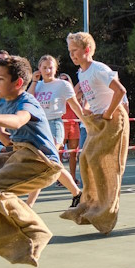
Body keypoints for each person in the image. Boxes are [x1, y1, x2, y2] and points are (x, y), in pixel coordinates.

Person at [0, 55, 64, 266]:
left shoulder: (27, 101)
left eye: (0, 79)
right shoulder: (0, 100)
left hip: (41, 161)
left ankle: (37, 231)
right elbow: (4, 134)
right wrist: (0, 133)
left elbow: (18, 120)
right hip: (18, 153)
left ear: (17, 83)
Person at [61, 32, 129, 235]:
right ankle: (89, 203)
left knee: (97, 158)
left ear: (87, 50)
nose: (72, 55)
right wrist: (88, 108)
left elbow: (120, 91)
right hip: (98, 119)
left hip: (113, 118)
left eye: (75, 51)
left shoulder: (99, 69)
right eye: (70, 51)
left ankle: (106, 210)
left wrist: (108, 113)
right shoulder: (81, 74)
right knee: (85, 158)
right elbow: (91, 94)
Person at [26, 55, 81, 206]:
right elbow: (28, 101)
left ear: (56, 69)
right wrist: (34, 81)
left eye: (50, 67)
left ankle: (29, 204)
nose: (48, 70)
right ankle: (77, 194)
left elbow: (75, 105)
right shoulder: (37, 85)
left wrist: (86, 121)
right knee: (51, 164)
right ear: (39, 69)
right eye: (44, 67)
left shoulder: (62, 85)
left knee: (47, 161)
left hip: (55, 125)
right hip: (39, 127)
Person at [58, 73, 82, 182]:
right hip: (61, 124)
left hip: (74, 124)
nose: (64, 82)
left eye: (66, 80)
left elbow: (76, 93)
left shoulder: (73, 93)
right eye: (62, 80)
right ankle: (60, 178)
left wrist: (83, 75)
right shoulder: (58, 93)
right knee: (59, 153)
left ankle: (72, 177)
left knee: (74, 153)